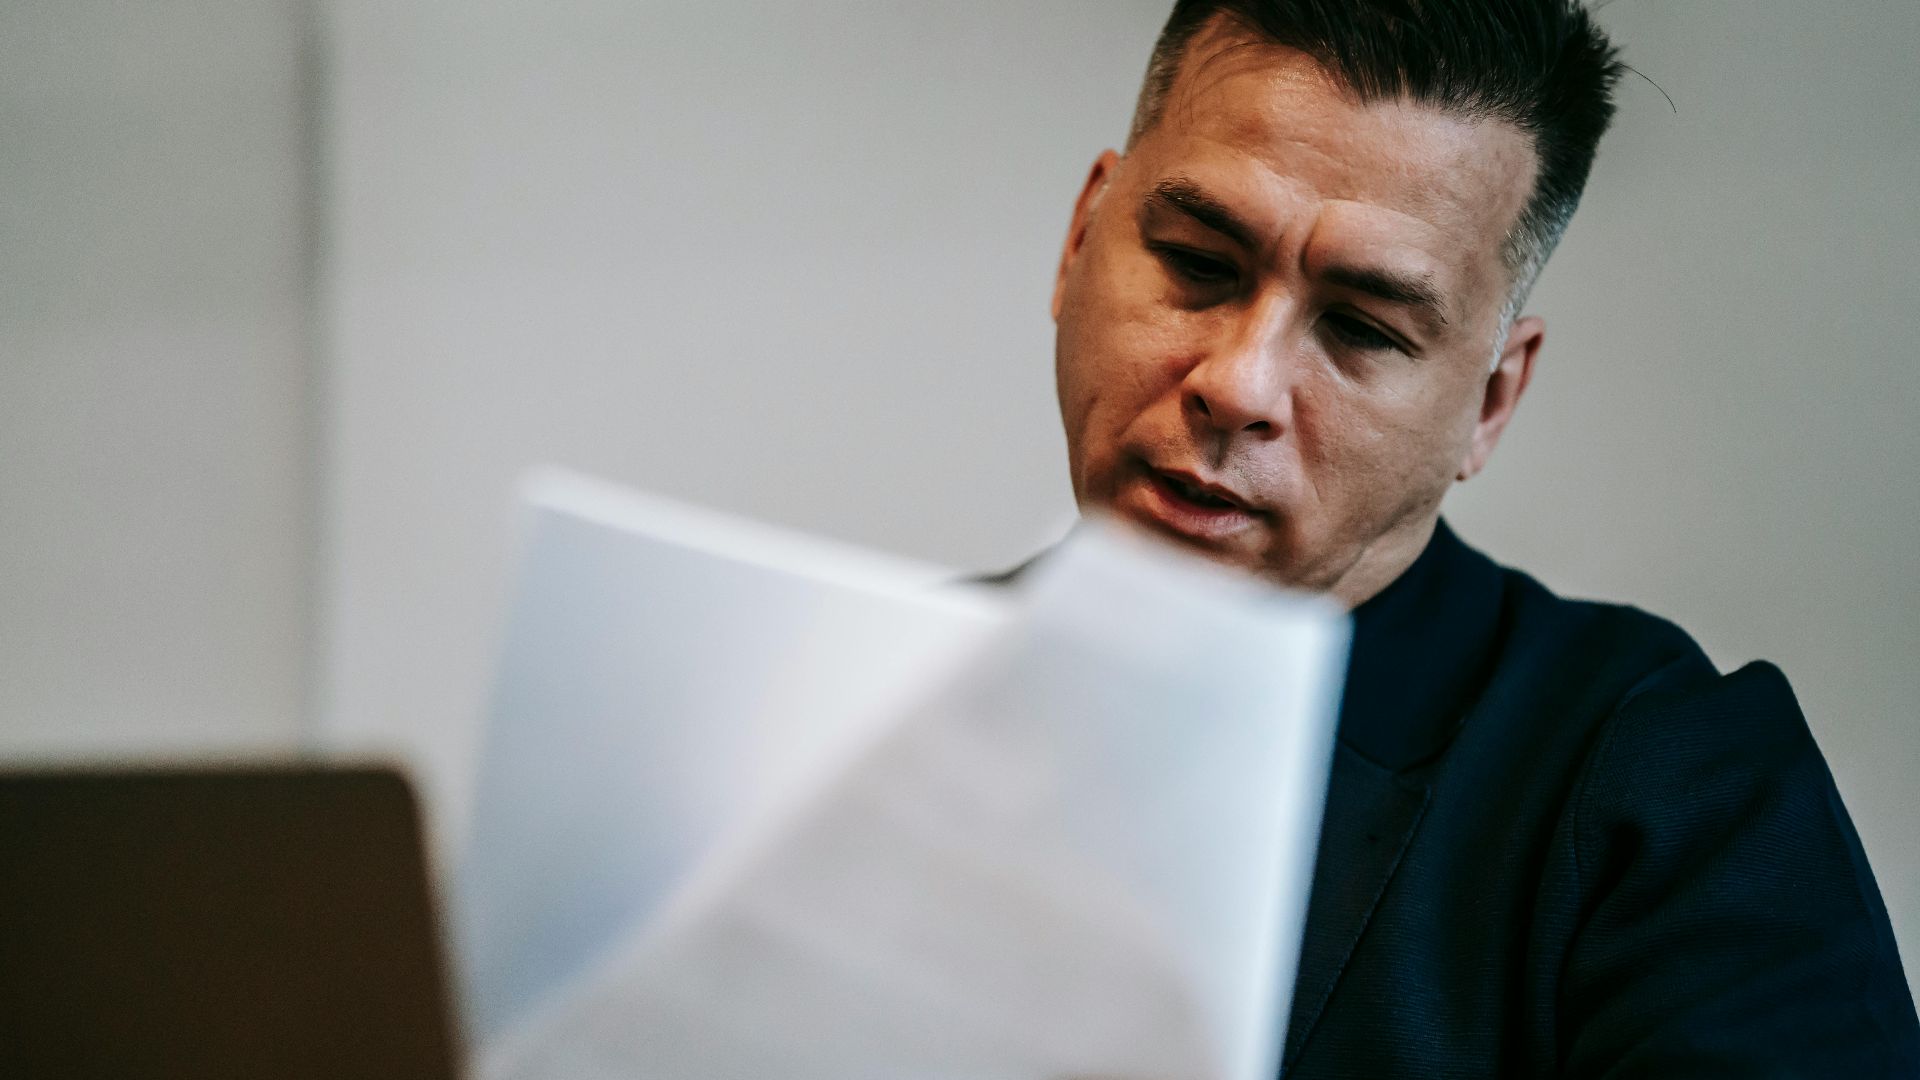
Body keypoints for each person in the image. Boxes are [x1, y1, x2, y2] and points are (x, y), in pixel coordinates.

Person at [1035, 0, 1920, 1074]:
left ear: (1491, 402)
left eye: (1362, 327)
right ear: (1082, 238)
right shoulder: (851, 690)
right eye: (1198, 261)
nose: (1239, 384)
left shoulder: (1680, 793)